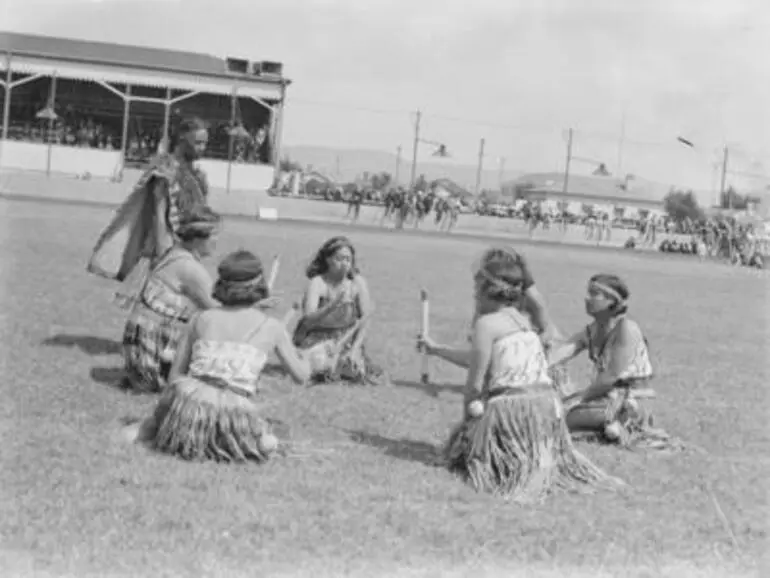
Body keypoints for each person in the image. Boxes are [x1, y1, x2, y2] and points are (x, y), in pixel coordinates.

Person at [419, 247, 620, 500]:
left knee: (473, 455)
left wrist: (467, 429)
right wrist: (437, 349)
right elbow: (480, 358)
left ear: (485, 290)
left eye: (475, 288)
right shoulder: (524, 323)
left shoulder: (486, 324)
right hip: (547, 410)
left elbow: (474, 384)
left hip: (514, 410)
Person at [135, 250, 333, 462]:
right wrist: (313, 358)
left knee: (149, 425)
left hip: (187, 412)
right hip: (233, 416)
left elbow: (175, 377)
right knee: (271, 440)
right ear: (260, 285)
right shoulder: (272, 327)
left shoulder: (201, 318)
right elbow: (301, 376)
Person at [549, 274, 682, 451]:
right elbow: (563, 352)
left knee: (559, 417)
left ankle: (618, 426)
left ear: (612, 300)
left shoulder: (627, 329)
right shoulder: (593, 330)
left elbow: (610, 377)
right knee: (556, 412)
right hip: (605, 398)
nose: (587, 299)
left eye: (594, 294)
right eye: (588, 293)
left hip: (630, 403)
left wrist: (577, 399)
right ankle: (603, 428)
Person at [87, 117, 212, 285]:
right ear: (182, 139)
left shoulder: (196, 175)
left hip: (187, 247)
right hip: (166, 248)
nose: (202, 148)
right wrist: (164, 255)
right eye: (198, 143)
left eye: (205, 143)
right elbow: (159, 213)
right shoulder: (165, 169)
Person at [122, 207, 221, 393]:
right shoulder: (190, 268)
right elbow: (218, 313)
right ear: (198, 238)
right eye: (214, 235)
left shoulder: (172, 254)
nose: (217, 241)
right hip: (155, 358)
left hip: (140, 356)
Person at [468, 247, 574, 396]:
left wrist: (522, 350)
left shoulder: (531, 297)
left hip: (540, 347)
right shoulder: (488, 303)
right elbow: (480, 325)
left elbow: (548, 330)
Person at [293, 236, 385, 385]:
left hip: (345, 341)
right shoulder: (317, 283)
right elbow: (308, 321)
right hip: (317, 340)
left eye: (348, 259)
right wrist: (331, 306)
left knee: (352, 368)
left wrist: (355, 349)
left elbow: (365, 320)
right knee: (320, 365)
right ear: (328, 260)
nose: (345, 263)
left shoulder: (357, 283)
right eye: (340, 258)